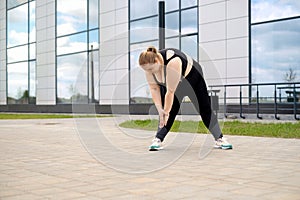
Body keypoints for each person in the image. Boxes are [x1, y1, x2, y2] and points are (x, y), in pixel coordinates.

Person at [139, 46, 232, 151]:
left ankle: (220, 138)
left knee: (204, 108)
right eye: (147, 70)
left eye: (151, 69)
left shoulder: (173, 61)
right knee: (166, 110)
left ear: (156, 61)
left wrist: (165, 112)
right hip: (174, 83)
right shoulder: (149, 66)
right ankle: (158, 139)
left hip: (193, 79)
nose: (150, 72)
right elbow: (154, 89)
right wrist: (160, 109)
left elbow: (170, 92)